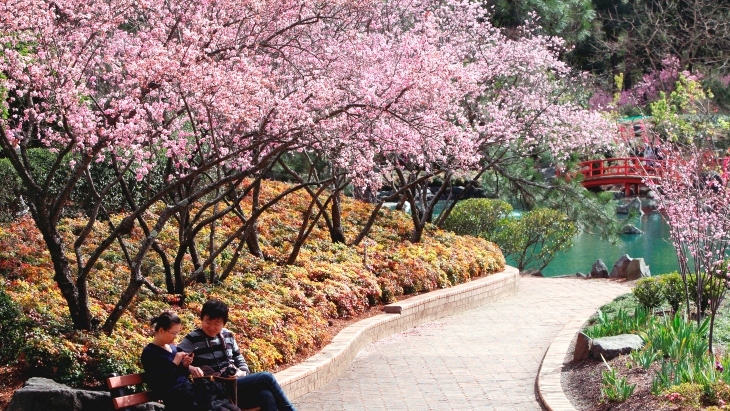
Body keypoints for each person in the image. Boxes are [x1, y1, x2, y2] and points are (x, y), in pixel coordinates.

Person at [178, 300, 297, 411]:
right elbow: (175, 358)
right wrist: (191, 367)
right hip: (214, 387)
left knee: (266, 395)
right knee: (266, 377)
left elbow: (238, 358)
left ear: (224, 323)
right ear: (201, 319)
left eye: (217, 323)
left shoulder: (228, 335)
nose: (212, 327)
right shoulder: (192, 338)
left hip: (235, 383)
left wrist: (243, 372)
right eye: (208, 322)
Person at [141, 311, 240, 411]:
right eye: (173, 333)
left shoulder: (172, 348)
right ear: (162, 330)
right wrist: (175, 362)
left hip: (189, 391)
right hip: (176, 397)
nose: (175, 337)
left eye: (177, 333)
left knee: (233, 409)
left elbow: (180, 375)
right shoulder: (150, 353)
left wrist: (185, 365)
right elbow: (160, 383)